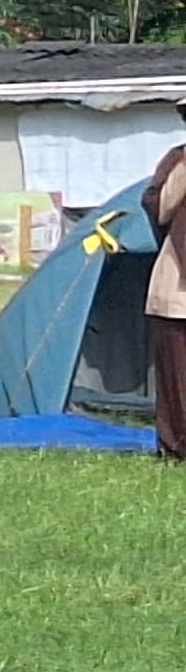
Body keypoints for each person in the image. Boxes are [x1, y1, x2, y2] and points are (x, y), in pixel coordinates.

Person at [152, 105, 186, 462]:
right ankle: (177, 446)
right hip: (178, 287)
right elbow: (159, 209)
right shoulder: (178, 161)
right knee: (178, 375)